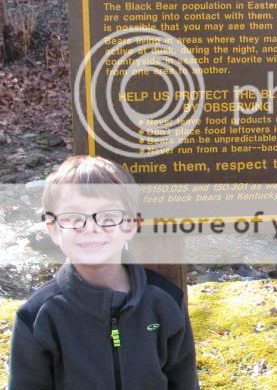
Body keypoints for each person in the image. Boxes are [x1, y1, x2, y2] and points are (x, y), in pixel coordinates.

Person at [9, 155, 199, 390]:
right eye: (74, 218)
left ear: (130, 224)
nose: (91, 228)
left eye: (108, 217)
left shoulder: (165, 301)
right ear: (54, 229)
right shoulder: (38, 316)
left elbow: (184, 382)